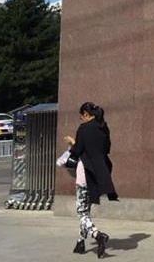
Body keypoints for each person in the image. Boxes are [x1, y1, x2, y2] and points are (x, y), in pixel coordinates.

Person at [64, 102, 118, 258]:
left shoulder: (84, 129)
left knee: (81, 212)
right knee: (86, 211)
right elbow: (106, 149)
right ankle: (80, 242)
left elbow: (77, 150)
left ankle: (98, 235)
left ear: (86, 114)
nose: (81, 119)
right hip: (98, 174)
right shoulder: (103, 127)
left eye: (81, 116)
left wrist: (72, 142)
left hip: (85, 173)